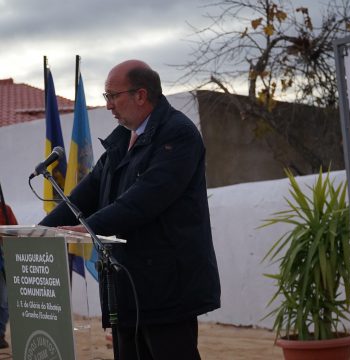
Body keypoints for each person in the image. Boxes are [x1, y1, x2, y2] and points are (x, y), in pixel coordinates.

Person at [39, 59, 221, 360]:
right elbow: (83, 196)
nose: (108, 105)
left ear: (141, 95)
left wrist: (90, 228)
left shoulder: (178, 134)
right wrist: (39, 231)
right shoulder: (121, 140)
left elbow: (145, 198)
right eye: (106, 96)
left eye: (113, 96)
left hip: (167, 288)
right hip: (125, 285)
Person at [0, 197, 18, 349]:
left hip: (3, 259)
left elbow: (15, 232)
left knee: (4, 300)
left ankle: (0, 334)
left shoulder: (6, 209)